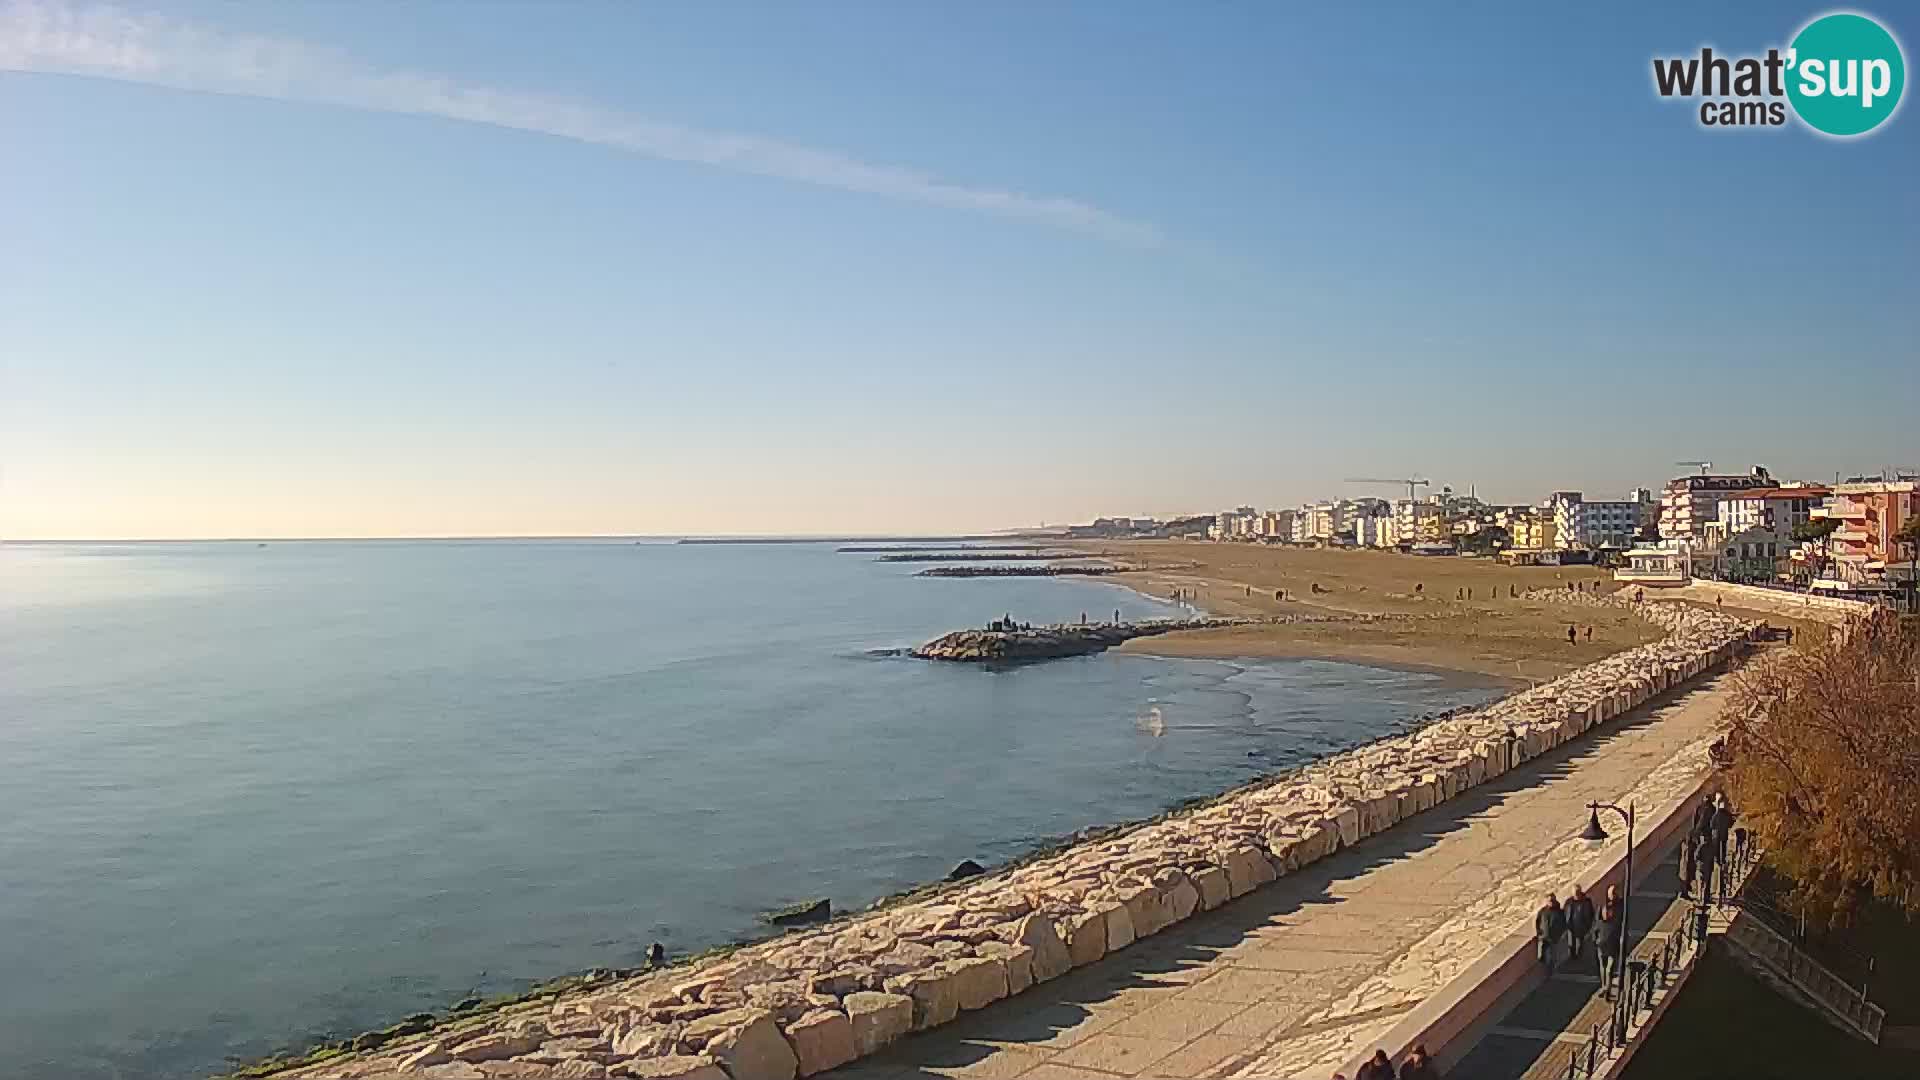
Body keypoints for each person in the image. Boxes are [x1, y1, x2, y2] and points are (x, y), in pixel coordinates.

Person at [1595, 892, 1623, 997]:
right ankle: (1604, 986)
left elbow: (1619, 934)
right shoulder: (1600, 923)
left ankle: (1608, 987)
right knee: (1603, 968)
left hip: (1612, 948)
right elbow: (1595, 932)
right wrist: (1597, 942)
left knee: (1609, 969)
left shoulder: (1615, 923)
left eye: (1608, 912)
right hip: (1601, 948)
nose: (1606, 914)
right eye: (1605, 913)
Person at [1536, 893, 1567, 975]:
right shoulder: (1542, 911)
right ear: (1546, 901)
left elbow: (1564, 924)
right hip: (1543, 937)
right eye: (1549, 901)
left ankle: (1550, 971)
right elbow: (1537, 921)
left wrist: (1559, 934)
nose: (1551, 902)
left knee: (1552, 957)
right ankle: (1546, 967)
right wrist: (1538, 932)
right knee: (1540, 956)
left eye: (1552, 900)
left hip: (1553, 938)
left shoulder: (1559, 912)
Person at [1564, 885, 1596, 963]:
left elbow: (1591, 913)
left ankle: (1579, 960)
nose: (1576, 895)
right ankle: (1573, 959)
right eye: (1575, 893)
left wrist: (1589, 925)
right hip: (1571, 926)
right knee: (1571, 945)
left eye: (1578, 893)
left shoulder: (1587, 901)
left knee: (1579, 945)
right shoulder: (1569, 901)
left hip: (1581, 927)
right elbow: (1565, 913)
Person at [1694, 830, 1718, 904]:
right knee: (1702, 884)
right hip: (1703, 868)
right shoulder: (1703, 846)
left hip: (1707, 868)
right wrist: (1700, 865)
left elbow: (1714, 857)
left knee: (1706, 885)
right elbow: (1696, 857)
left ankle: (1705, 899)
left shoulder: (1710, 846)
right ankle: (1702, 900)